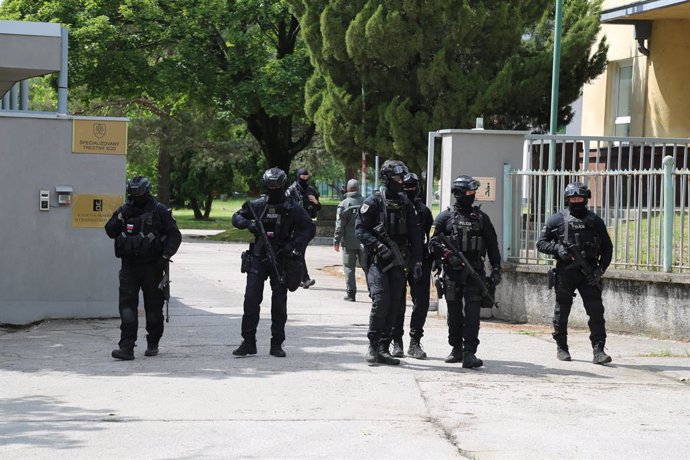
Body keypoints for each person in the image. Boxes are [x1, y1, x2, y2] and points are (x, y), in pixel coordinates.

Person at [232, 167, 315, 358]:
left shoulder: (292, 207)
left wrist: (293, 246)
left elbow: (309, 228)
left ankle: (276, 343)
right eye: (270, 186)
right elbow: (236, 217)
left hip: (281, 259)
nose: (273, 189)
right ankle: (248, 342)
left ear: (283, 184)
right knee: (251, 300)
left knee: (279, 302)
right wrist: (249, 224)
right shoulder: (258, 205)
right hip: (258, 258)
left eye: (276, 186)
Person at [105, 176, 181, 360]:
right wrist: (121, 216)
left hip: (152, 267)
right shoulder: (125, 209)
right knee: (127, 308)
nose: (135, 197)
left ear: (146, 191)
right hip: (129, 267)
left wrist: (165, 256)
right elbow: (110, 231)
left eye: (138, 193)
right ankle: (126, 347)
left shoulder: (159, 210)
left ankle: (153, 342)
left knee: (153, 309)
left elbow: (174, 236)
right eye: (132, 194)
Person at [536, 182, 613, 364]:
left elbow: (607, 248)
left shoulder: (594, 221)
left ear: (586, 199)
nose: (576, 201)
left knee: (595, 311)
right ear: (567, 199)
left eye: (579, 198)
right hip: (565, 273)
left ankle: (598, 350)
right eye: (573, 198)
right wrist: (557, 249)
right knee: (562, 311)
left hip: (589, 272)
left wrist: (600, 269)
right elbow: (540, 243)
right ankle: (562, 347)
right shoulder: (556, 220)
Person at [429, 175, 501, 368]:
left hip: (474, 272)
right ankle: (456, 349)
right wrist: (446, 254)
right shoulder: (445, 217)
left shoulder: (481, 218)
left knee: (472, 313)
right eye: (469, 192)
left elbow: (492, 245)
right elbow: (433, 241)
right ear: (459, 194)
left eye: (473, 193)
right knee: (454, 314)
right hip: (452, 272)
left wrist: (496, 268)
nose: (472, 196)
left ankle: (470, 352)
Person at [356, 160, 423, 365]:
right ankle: (373, 345)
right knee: (381, 300)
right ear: (386, 179)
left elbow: (415, 235)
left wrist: (418, 261)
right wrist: (378, 246)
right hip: (378, 261)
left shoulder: (406, 204)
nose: (401, 181)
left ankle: (384, 348)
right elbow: (360, 230)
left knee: (395, 304)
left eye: (402, 178)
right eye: (397, 178)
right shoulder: (374, 201)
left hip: (399, 261)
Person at [391, 172, 434, 359]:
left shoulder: (424, 211)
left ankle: (414, 341)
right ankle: (396, 342)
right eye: (406, 187)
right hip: (398, 259)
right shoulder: (393, 208)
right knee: (397, 302)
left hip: (419, 260)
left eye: (413, 187)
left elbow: (427, 237)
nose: (409, 190)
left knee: (421, 302)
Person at [286, 167, 321, 288]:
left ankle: (301, 278)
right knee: (297, 253)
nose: (305, 180)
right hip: (294, 227)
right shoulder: (291, 191)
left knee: (298, 252)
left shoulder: (312, 190)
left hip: (307, 226)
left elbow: (318, 208)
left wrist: (316, 202)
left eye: (307, 178)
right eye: (302, 178)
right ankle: (302, 279)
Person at [334, 179, 367, 301]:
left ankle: (351, 293)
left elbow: (339, 225)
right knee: (367, 267)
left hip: (349, 241)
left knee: (349, 268)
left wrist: (336, 240)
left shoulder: (344, 204)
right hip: (365, 240)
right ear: (358, 188)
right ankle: (373, 292)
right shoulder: (366, 202)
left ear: (347, 189)